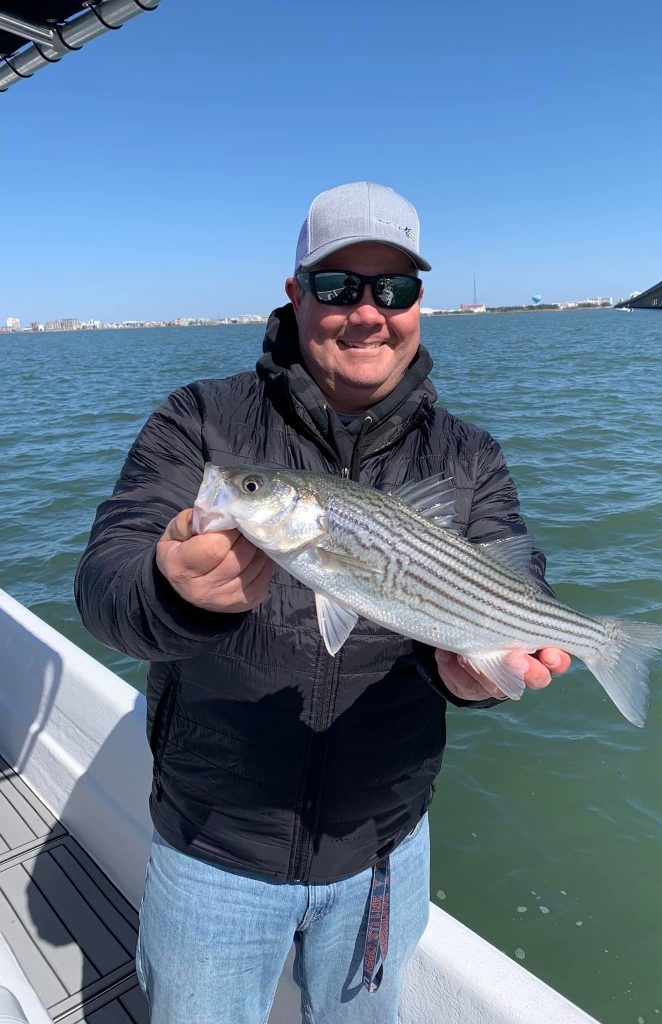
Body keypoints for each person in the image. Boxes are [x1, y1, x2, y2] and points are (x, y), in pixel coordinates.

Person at [75, 181, 570, 1024]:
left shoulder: (469, 455)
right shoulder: (200, 420)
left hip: (382, 850)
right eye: (340, 287)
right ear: (296, 294)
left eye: (396, 289)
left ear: (420, 305)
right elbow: (103, 588)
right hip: (214, 848)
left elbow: (518, 588)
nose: (368, 313)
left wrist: (478, 673)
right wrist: (173, 592)